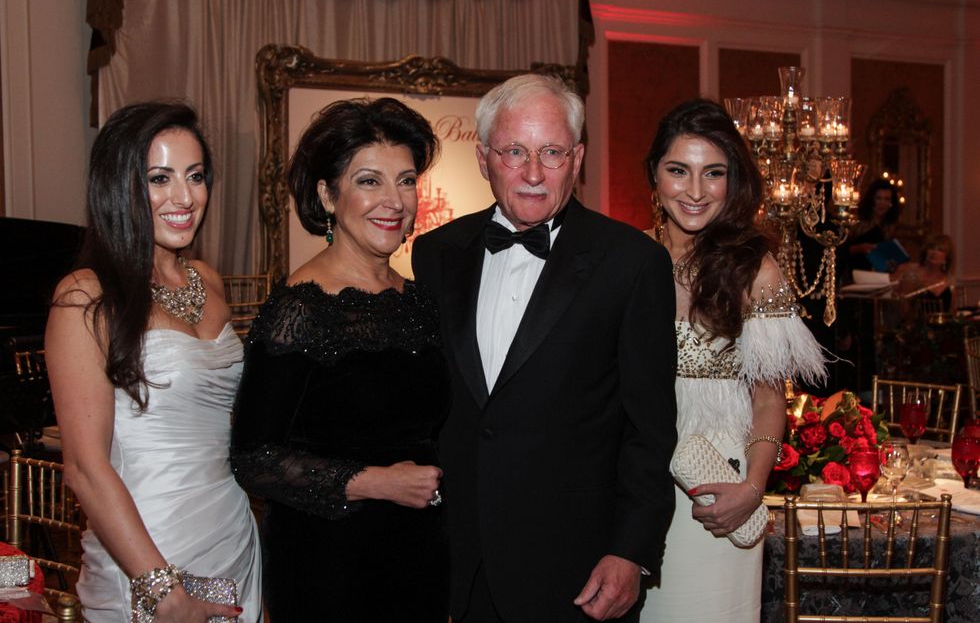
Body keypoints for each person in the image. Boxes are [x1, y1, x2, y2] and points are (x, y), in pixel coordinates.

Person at [412, 73, 677, 623]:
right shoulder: (435, 254)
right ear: (483, 158)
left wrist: (632, 551)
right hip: (461, 561)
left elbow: (649, 430)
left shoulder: (631, 264)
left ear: (577, 159)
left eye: (552, 152)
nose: (533, 173)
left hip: (576, 569)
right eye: (514, 151)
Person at [230, 98, 449, 622]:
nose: (393, 201)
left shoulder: (418, 300)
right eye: (369, 181)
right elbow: (253, 458)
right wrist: (378, 481)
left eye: (406, 180)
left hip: (419, 557)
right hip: (328, 568)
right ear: (328, 195)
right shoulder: (301, 306)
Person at [45, 102, 261, 622]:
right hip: (148, 557)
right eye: (159, 179)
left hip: (232, 536)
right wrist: (163, 591)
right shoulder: (85, 297)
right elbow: (83, 467)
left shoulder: (206, 281)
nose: (184, 197)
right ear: (119, 186)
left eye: (195, 176)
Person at [638, 99, 826, 623]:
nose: (695, 191)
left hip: (717, 488)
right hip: (635, 482)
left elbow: (770, 399)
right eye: (678, 170)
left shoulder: (756, 271)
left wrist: (751, 489)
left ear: (734, 181)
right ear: (654, 176)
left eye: (713, 173)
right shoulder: (627, 260)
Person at [847, 178, 902, 273]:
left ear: (891, 203)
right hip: (854, 271)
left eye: (887, 199)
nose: (882, 203)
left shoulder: (892, 226)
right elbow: (841, 250)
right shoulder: (857, 221)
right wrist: (860, 248)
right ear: (871, 200)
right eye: (878, 198)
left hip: (881, 274)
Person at [892, 232, 955, 311]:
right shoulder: (912, 275)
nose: (934, 252)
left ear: (946, 259)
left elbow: (952, 310)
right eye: (931, 248)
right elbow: (905, 307)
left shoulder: (949, 280)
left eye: (940, 250)